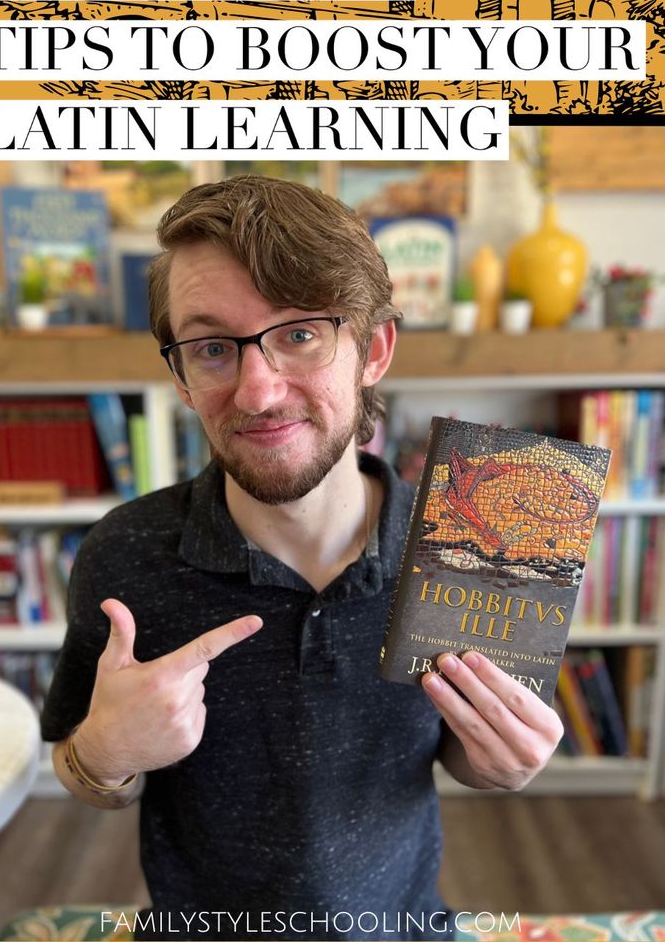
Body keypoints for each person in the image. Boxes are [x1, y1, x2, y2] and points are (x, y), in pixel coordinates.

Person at [41, 175, 562, 942]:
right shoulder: (125, 552)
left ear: (373, 349)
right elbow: (82, 769)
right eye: (213, 347)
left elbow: (466, 756)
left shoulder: (482, 541)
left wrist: (503, 763)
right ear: (181, 376)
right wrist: (105, 752)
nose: (256, 391)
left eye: (299, 334)